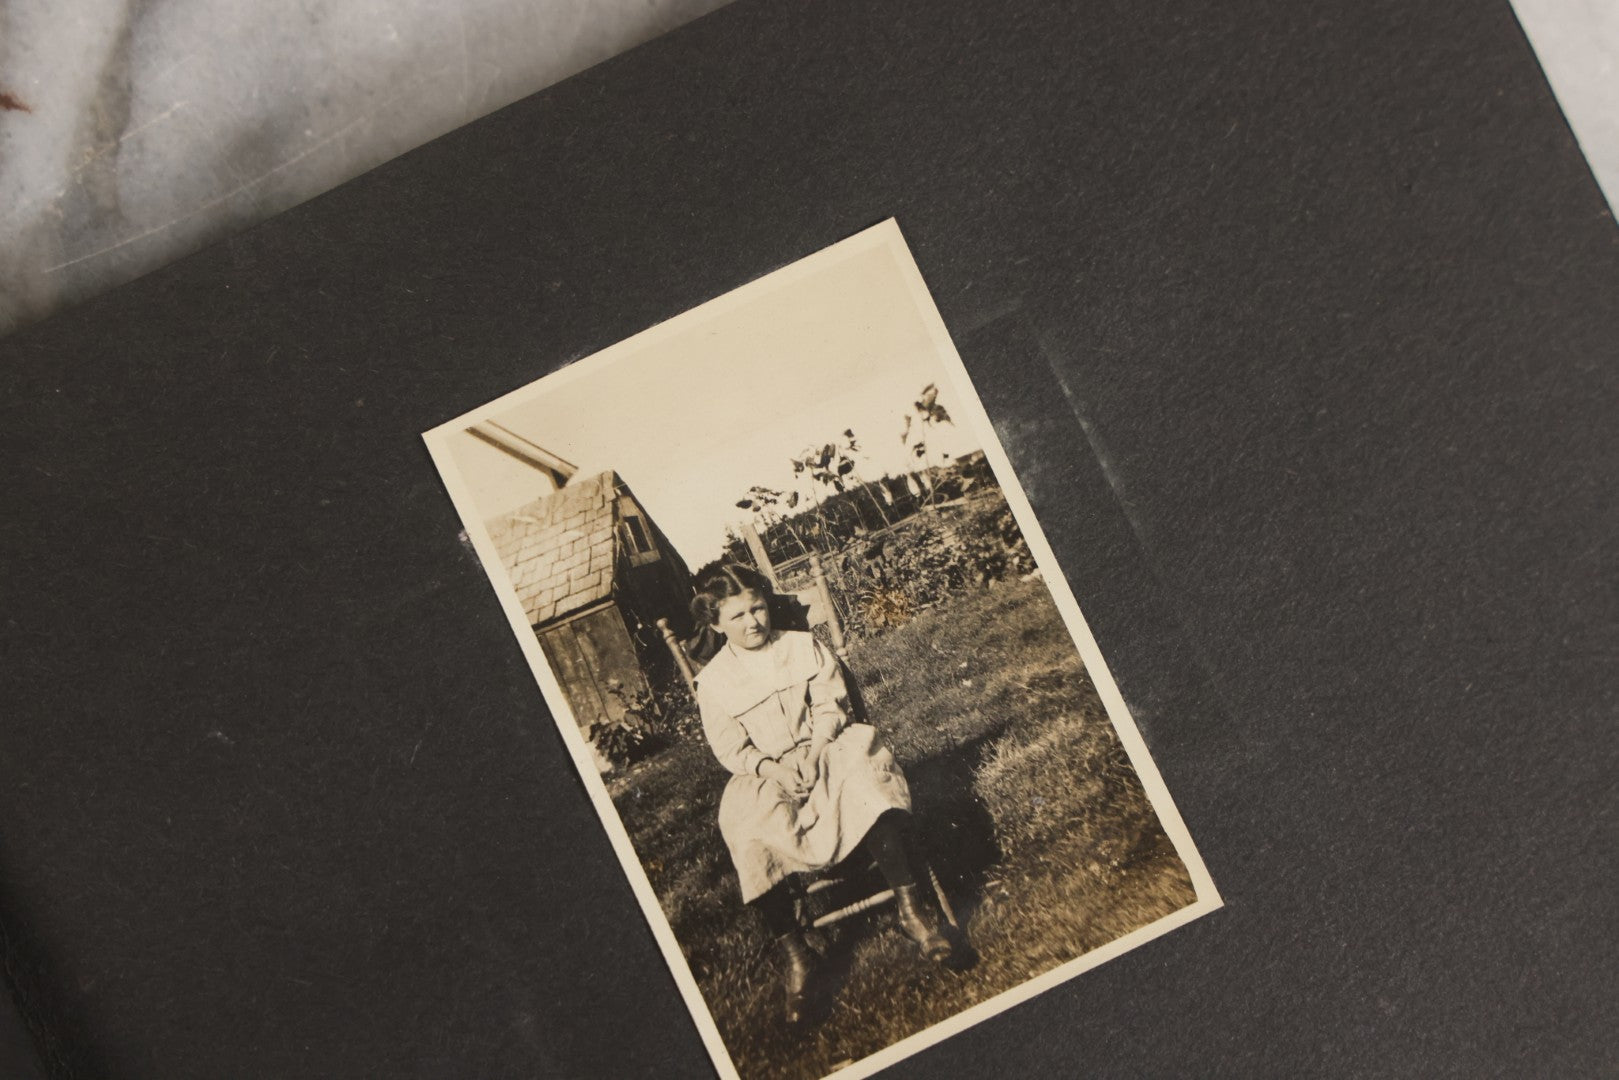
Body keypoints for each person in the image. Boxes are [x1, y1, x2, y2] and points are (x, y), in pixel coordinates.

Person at [689, 563, 952, 1025]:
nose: (754, 622)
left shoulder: (799, 646)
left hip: (822, 746)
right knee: (745, 826)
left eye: (758, 608)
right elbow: (731, 747)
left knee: (864, 772)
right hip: (767, 770)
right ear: (715, 624)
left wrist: (813, 754)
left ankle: (912, 912)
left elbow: (830, 704)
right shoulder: (713, 682)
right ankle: (798, 955)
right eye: (738, 617)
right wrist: (772, 768)